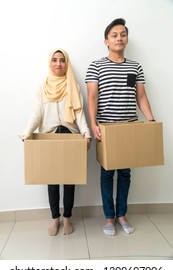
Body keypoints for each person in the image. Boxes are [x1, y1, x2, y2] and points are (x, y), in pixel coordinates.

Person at [85, 18, 155, 236]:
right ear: (106, 41)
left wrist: (151, 121)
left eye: (123, 34)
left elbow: (141, 96)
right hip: (106, 128)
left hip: (129, 128)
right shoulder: (96, 66)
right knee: (107, 174)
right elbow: (92, 97)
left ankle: (122, 215)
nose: (119, 38)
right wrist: (94, 124)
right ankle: (109, 217)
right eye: (114, 35)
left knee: (125, 173)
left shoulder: (135, 66)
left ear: (127, 38)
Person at [20, 48, 91, 236]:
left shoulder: (73, 86)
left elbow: (78, 112)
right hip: (49, 136)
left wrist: (86, 132)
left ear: (67, 63)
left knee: (69, 180)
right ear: (49, 63)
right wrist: (27, 133)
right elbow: (37, 113)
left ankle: (67, 218)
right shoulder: (42, 86)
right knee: (51, 180)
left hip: (70, 135)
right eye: (54, 60)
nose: (58, 64)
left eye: (62, 60)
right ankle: (55, 219)